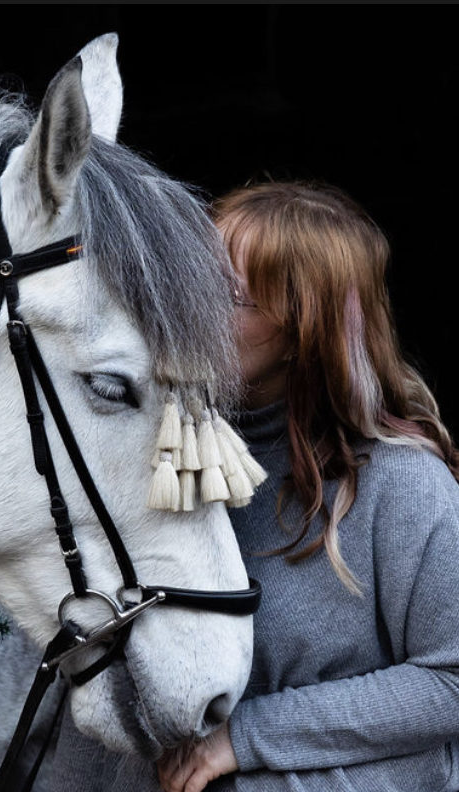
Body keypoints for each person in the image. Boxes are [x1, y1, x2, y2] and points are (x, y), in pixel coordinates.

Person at [156, 180, 459, 792]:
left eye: (229, 295)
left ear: (304, 331)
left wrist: (244, 737)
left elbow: (450, 682)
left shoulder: (401, 483)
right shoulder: (159, 453)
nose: (188, 309)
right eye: (190, 279)